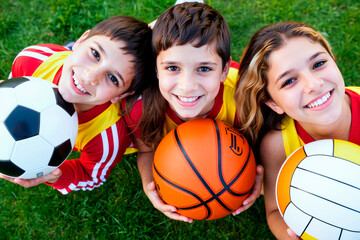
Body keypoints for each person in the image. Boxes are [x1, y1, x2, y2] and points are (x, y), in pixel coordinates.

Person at [123, 2, 264, 223]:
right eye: (172, 68)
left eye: (204, 68)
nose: (187, 86)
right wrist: (149, 183)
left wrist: (256, 176)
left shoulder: (244, 101)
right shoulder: (141, 107)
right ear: (156, 69)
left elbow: (264, 148)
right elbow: (146, 151)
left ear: (224, 70)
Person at [0, 15, 156, 194]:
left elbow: (91, 176)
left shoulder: (107, 139)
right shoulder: (32, 60)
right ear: (82, 40)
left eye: (113, 78)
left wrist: (57, 176)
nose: (90, 77)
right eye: (95, 54)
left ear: (120, 95)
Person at [234, 21, 360, 239]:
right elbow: (274, 211)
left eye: (318, 63)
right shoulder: (278, 145)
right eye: (289, 80)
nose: (314, 84)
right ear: (274, 104)